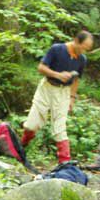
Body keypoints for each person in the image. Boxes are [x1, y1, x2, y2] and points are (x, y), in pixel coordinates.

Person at [21, 31, 93, 163]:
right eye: (83, 47)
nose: (84, 51)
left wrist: (72, 98)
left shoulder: (82, 59)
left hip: (64, 93)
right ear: (76, 41)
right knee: (31, 125)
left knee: (60, 128)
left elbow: (76, 80)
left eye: (87, 49)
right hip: (46, 88)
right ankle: (21, 148)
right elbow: (41, 67)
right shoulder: (57, 49)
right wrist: (57, 75)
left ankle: (65, 163)